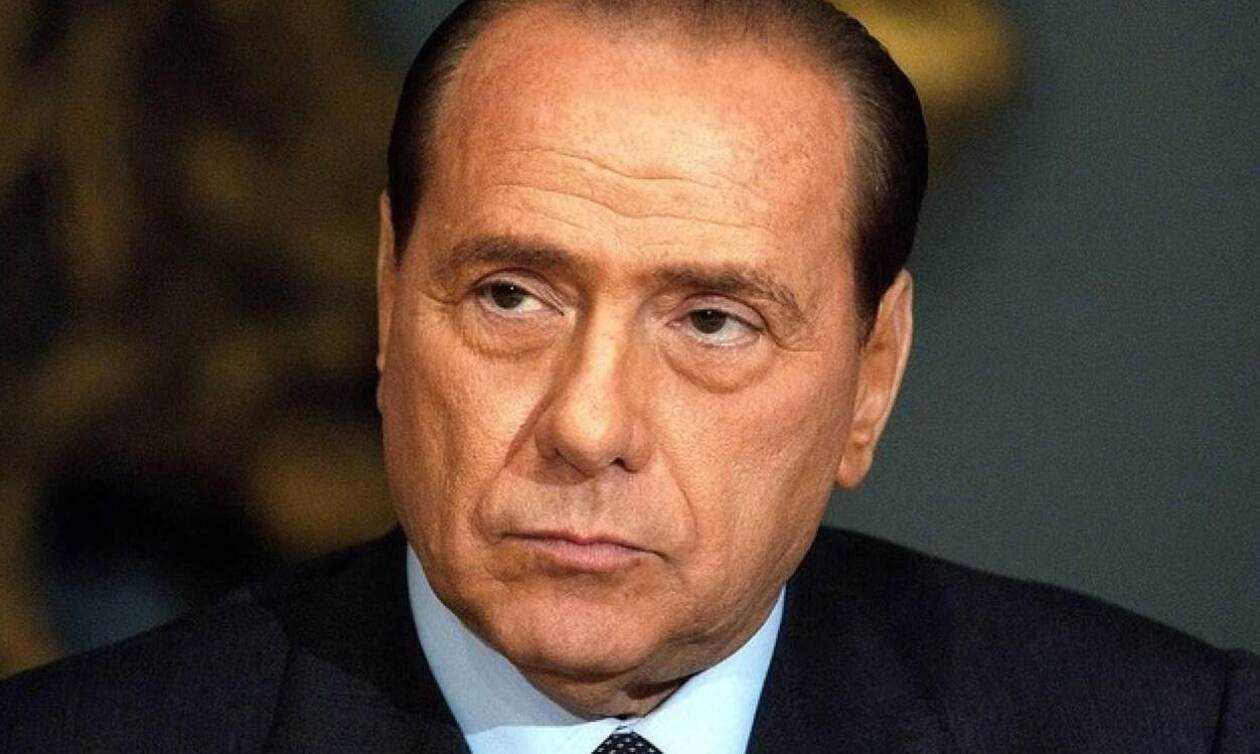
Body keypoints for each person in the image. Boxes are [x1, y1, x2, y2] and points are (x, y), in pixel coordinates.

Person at [2, 1, 1256, 751]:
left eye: (712, 321)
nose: (589, 422)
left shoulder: (1167, 732)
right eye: (510, 296)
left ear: (872, 376)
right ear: (390, 297)